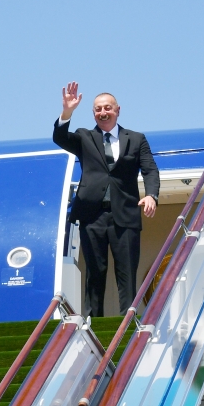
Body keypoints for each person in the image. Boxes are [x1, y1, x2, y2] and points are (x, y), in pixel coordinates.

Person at [53, 82, 160, 317]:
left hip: (126, 215)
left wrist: (151, 195)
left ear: (117, 110)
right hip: (92, 216)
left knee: (127, 274)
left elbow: (150, 170)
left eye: (107, 108)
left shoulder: (136, 139)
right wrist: (67, 111)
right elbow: (59, 137)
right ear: (93, 113)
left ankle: (127, 324)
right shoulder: (84, 137)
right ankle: (93, 326)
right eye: (98, 109)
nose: (103, 112)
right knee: (95, 273)